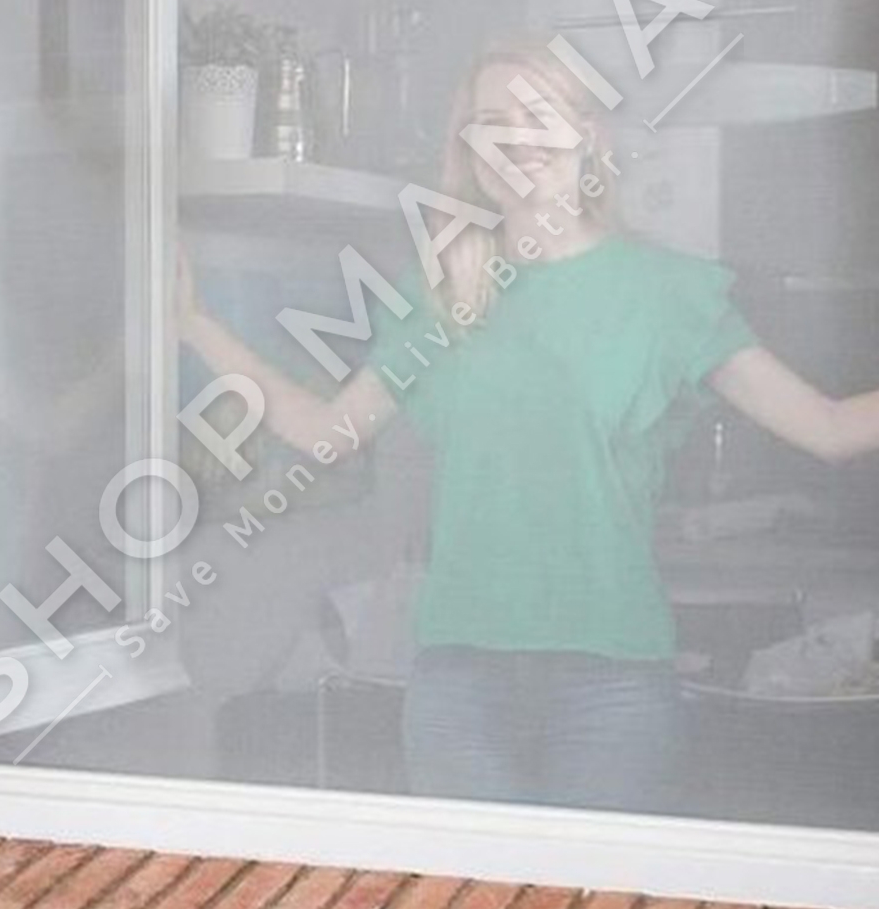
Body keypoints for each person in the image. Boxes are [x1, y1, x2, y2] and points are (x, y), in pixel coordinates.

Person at [177, 41, 879, 813]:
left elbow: (831, 427)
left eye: (539, 114)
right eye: (492, 120)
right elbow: (327, 434)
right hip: (459, 687)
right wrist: (195, 323)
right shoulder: (441, 300)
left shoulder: (669, 294)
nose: (516, 137)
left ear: (589, 136)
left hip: (612, 687)